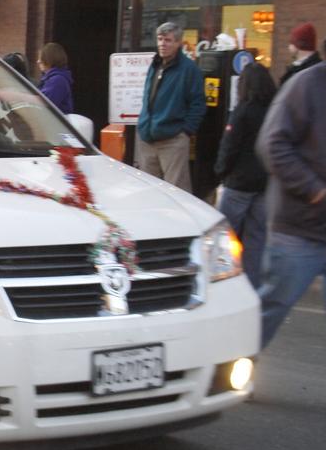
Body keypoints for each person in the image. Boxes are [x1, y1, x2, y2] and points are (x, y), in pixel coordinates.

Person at [255, 44, 326, 349]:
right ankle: (226, 367)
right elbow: (272, 144)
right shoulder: (307, 85)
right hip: (301, 226)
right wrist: (315, 190)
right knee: (273, 303)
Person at [214, 63, 276, 288]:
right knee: (257, 237)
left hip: (239, 183)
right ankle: (252, 284)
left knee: (224, 236)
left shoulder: (242, 111)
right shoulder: (274, 111)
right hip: (264, 183)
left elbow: (229, 147)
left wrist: (220, 172)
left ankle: (223, 282)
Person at [135, 21, 205, 192]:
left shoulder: (189, 69)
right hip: (147, 136)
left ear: (178, 42)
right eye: (160, 39)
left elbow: (198, 104)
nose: (162, 44)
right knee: (149, 191)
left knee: (176, 192)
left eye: (167, 40)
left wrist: (185, 131)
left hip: (173, 139)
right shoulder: (155, 64)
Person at [36, 43, 74, 114]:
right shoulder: (50, 79)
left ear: (49, 59)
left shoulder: (58, 80)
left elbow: (43, 102)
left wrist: (17, 96)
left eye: (41, 58)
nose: (38, 61)